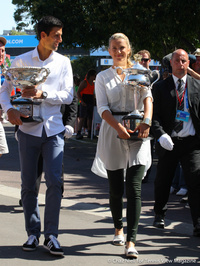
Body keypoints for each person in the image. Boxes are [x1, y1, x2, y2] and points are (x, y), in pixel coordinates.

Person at [0, 16, 73, 255]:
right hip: (27, 129)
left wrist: (43, 92)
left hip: (53, 129)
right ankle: (32, 233)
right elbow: (5, 91)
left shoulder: (63, 62)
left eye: (61, 35)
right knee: (28, 185)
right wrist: (9, 109)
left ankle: (51, 235)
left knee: (55, 181)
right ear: (43, 35)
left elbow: (68, 96)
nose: (60, 39)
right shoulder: (20, 61)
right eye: (56, 35)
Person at [92, 33, 153, 258]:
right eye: (115, 48)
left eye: (123, 47)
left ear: (129, 49)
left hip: (139, 132)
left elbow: (148, 98)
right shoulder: (102, 77)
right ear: (109, 51)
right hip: (113, 131)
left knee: (134, 187)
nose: (119, 51)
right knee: (116, 188)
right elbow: (102, 108)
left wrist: (146, 121)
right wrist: (118, 128)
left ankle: (131, 241)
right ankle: (118, 227)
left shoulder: (141, 71)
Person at [152, 49, 200, 238]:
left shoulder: (196, 86)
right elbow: (154, 116)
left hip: (191, 142)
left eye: (184, 61)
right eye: (177, 61)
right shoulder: (160, 87)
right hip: (168, 141)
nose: (181, 64)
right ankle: (159, 214)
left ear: (189, 63)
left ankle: (197, 223)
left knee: (195, 182)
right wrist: (161, 135)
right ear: (170, 63)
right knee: (163, 180)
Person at [76, 69, 96, 139]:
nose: (95, 77)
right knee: (82, 118)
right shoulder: (84, 82)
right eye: (94, 75)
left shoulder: (93, 84)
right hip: (84, 101)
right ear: (91, 75)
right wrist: (82, 101)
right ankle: (78, 132)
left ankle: (89, 132)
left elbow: (93, 94)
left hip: (91, 101)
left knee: (90, 118)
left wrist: (94, 100)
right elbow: (78, 92)